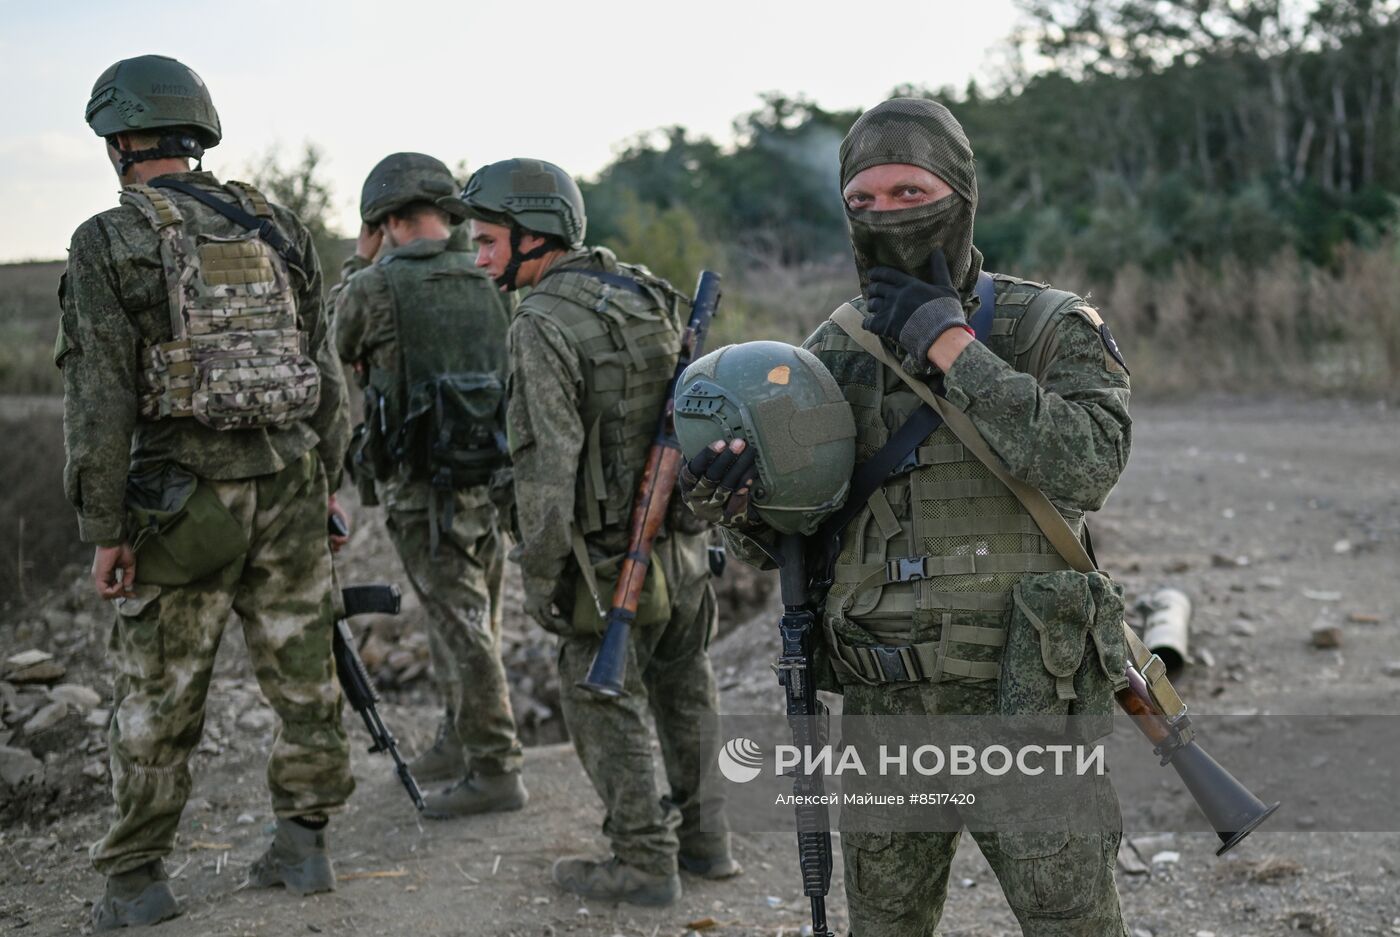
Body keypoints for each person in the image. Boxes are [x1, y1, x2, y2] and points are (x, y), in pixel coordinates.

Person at [683, 97, 1134, 936]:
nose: (888, 216)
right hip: (888, 708)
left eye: (911, 191)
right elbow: (795, 537)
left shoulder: (1047, 326)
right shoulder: (831, 354)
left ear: (960, 194)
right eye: (866, 200)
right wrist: (736, 505)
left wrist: (954, 347)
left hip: (1026, 697)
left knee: (1074, 921)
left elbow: (1090, 464)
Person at [58, 56, 357, 929]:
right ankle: (305, 846)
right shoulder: (279, 226)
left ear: (119, 142)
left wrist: (105, 528)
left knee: (159, 689)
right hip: (293, 485)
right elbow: (323, 369)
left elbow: (99, 399)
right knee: (304, 674)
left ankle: (137, 880)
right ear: (198, 133)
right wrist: (330, 482)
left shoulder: (109, 239)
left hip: (180, 503)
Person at [458, 158, 737, 906]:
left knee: (596, 692)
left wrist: (542, 572)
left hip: (604, 554)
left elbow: (546, 465)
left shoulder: (542, 322)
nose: (478, 257)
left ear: (534, 235)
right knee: (685, 681)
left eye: (488, 241)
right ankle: (708, 842)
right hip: (677, 540)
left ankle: (645, 859)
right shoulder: (644, 290)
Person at [330, 152, 525, 818]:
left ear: (384, 220)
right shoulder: (491, 276)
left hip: (421, 486)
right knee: (476, 618)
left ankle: (496, 766)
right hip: (491, 478)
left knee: (459, 621)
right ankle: (458, 735)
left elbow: (337, 346)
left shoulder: (374, 285)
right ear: (448, 213)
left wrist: (361, 260)